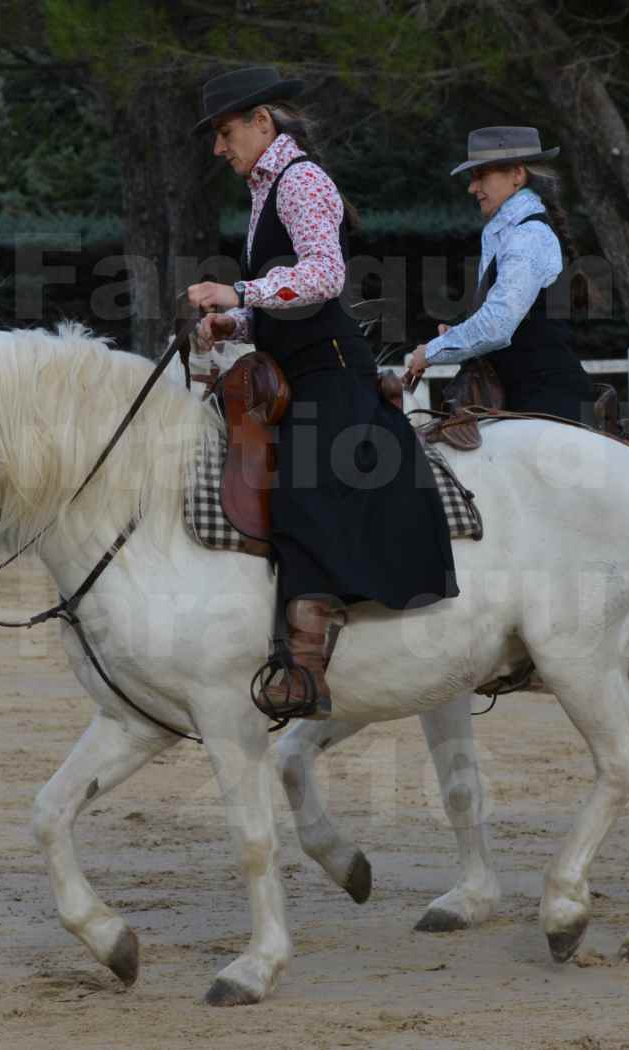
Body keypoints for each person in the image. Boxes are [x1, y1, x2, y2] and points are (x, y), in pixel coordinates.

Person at [185, 66, 456, 718]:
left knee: (307, 487)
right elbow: (287, 299)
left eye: (224, 133)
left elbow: (324, 276)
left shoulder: (300, 179)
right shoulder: (264, 191)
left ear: (260, 121)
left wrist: (240, 292)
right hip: (293, 365)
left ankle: (306, 668)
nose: (219, 148)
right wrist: (236, 322)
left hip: (329, 369)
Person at [404, 126, 597, 423]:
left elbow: (496, 326)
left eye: (481, 175)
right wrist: (459, 331)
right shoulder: (510, 233)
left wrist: (431, 351)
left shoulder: (528, 235)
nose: (472, 187)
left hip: (550, 409)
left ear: (517, 175)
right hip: (526, 406)